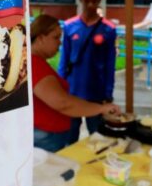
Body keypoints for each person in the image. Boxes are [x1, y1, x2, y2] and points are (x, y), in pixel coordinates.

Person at [31, 14, 120, 152]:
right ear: (41, 38)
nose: (59, 43)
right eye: (55, 37)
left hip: (48, 135)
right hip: (46, 138)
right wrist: (101, 109)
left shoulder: (36, 62)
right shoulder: (34, 64)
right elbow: (63, 103)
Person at [59, 0, 117, 136]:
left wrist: (108, 93)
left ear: (100, 1)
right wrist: (59, 85)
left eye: (94, 1)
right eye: (86, 1)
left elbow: (110, 63)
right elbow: (64, 58)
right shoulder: (69, 26)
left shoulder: (109, 29)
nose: (90, 5)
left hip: (96, 93)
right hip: (72, 90)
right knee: (69, 135)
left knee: (97, 136)